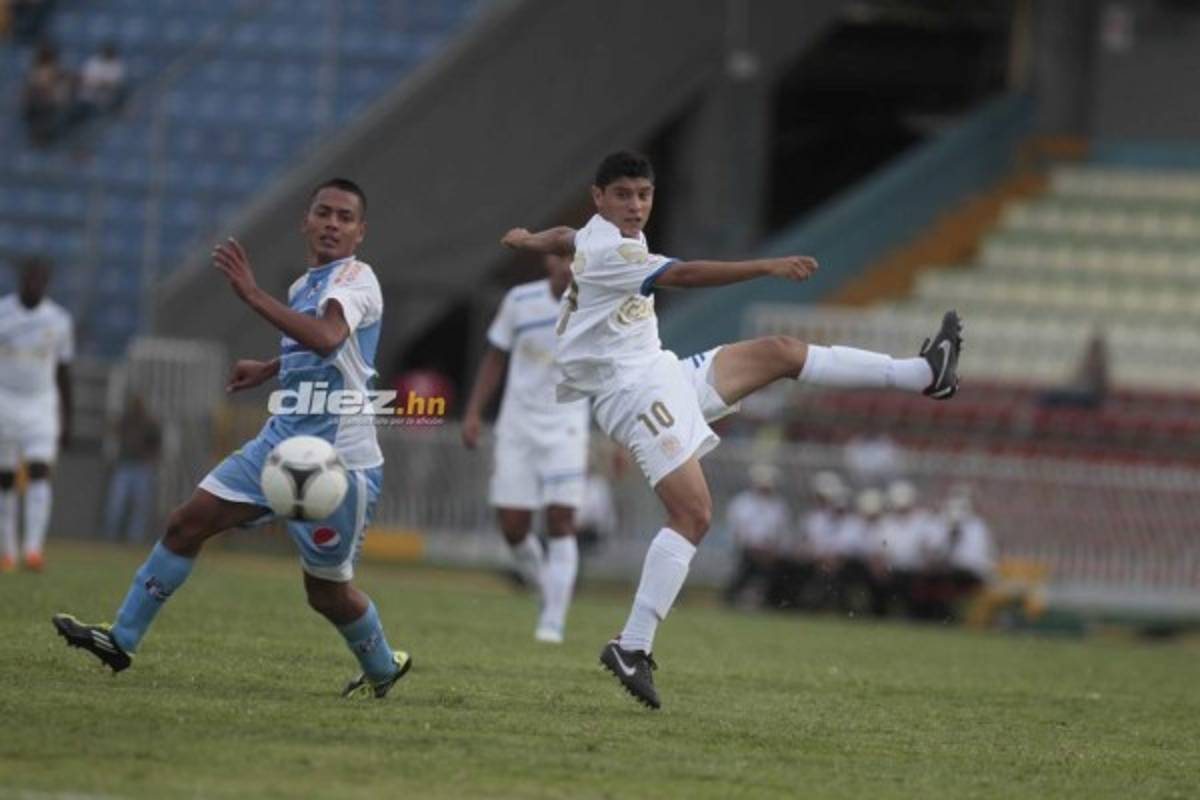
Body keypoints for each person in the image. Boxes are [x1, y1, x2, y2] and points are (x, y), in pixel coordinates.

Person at [501, 150, 963, 708]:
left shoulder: (596, 233)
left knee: (782, 352)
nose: (635, 205)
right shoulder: (613, 248)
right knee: (693, 514)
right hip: (631, 392)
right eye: (622, 194)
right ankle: (633, 645)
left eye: (643, 195)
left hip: (661, 372)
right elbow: (683, 275)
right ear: (599, 196)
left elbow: (566, 237)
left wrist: (530, 240)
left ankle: (923, 374)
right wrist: (765, 267)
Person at [53, 178, 413, 700]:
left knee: (326, 593)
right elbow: (317, 350)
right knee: (186, 523)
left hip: (338, 464)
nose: (333, 224)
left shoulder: (359, 279)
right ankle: (121, 639)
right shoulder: (301, 288)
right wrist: (269, 368)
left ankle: (382, 666)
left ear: (360, 232)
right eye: (324, 213)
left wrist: (249, 294)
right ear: (305, 222)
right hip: (282, 440)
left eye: (345, 217)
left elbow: (332, 337)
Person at [461, 252, 589, 644]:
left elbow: (610, 369)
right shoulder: (519, 300)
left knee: (561, 519)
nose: (570, 264)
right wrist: (474, 411)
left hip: (567, 424)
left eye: (578, 257)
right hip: (517, 425)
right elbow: (495, 358)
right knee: (513, 526)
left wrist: (619, 437)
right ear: (549, 261)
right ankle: (543, 588)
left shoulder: (595, 305)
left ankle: (553, 619)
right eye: (564, 256)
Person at [0, 257, 73, 573]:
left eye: (40, 279)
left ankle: (33, 550)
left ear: (47, 282)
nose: (34, 284)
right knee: (4, 479)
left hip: (42, 404)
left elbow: (64, 371)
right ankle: (7, 551)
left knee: (39, 470)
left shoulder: (59, 320)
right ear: (21, 278)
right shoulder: (3, 313)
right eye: (30, 277)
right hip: (4, 401)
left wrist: (68, 416)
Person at [722, 463, 790, 608]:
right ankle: (731, 598)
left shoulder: (778, 505)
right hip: (747, 548)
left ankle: (770, 601)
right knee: (745, 568)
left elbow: (780, 532)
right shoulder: (742, 502)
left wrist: (770, 548)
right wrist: (752, 546)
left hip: (769, 551)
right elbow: (737, 530)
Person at [102, 393, 162, 543]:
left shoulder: (149, 423)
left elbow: (156, 443)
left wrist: (150, 459)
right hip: (125, 465)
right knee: (116, 504)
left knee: (139, 506)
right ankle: (110, 536)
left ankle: (134, 539)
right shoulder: (126, 420)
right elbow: (112, 428)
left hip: (141, 467)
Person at [21, 42, 71, 146]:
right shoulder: (36, 69)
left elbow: (59, 87)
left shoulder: (58, 69)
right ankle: (37, 136)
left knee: (45, 113)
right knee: (32, 109)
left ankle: (44, 137)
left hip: (52, 102)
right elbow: (32, 85)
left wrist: (48, 91)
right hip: (38, 101)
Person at [72, 42, 127, 122]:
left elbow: (114, 84)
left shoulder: (118, 64)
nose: (106, 52)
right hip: (88, 94)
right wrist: (96, 82)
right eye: (105, 50)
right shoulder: (94, 61)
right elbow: (84, 78)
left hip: (107, 96)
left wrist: (98, 83)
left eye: (109, 51)